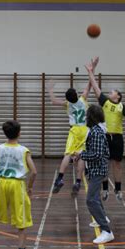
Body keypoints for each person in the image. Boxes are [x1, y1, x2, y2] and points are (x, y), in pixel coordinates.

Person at [85, 57, 125, 201]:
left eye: (113, 91)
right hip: (104, 136)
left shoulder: (122, 107)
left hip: (117, 137)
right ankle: (105, 190)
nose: (110, 92)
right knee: (104, 163)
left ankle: (118, 190)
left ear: (118, 96)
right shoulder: (104, 102)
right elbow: (95, 85)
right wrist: (91, 70)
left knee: (117, 164)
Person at [0, 120, 37, 249]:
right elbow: (34, 172)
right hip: (17, 184)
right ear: (19, 133)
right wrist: (30, 187)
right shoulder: (23, 150)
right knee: (21, 217)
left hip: (2, 183)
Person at [49, 57, 98, 196]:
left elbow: (53, 101)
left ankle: (60, 179)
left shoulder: (67, 104)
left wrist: (50, 89)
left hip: (74, 130)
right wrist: (92, 68)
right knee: (82, 156)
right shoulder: (83, 99)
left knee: (68, 154)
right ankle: (77, 181)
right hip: (86, 130)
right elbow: (90, 83)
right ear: (76, 94)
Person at [76, 104, 114, 244]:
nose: (85, 117)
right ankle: (103, 218)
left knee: (91, 200)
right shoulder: (94, 130)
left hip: (98, 169)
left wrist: (82, 154)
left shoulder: (96, 133)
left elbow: (97, 155)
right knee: (95, 198)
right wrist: (81, 155)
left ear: (91, 117)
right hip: (94, 169)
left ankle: (107, 230)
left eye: (87, 115)